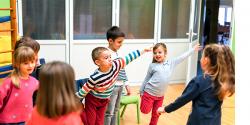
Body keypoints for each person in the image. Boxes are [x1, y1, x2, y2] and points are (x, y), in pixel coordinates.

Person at [157, 44, 235, 125]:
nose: (201, 59)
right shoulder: (222, 81)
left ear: (206, 60)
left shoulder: (199, 81)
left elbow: (182, 100)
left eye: (202, 56)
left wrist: (165, 109)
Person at [76, 46, 151, 125]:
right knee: (90, 123)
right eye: (106, 58)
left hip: (104, 100)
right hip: (92, 100)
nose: (110, 59)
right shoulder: (95, 77)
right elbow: (84, 90)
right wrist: (73, 99)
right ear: (98, 62)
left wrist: (143, 51)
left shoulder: (116, 65)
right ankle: (79, 108)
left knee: (99, 123)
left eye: (110, 56)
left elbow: (128, 58)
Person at [139, 42, 201, 125]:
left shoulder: (171, 63)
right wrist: (141, 91)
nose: (157, 54)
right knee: (145, 111)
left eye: (159, 52)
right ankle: (145, 101)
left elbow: (182, 57)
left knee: (156, 114)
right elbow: (147, 78)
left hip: (160, 96)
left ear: (165, 53)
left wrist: (193, 49)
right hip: (149, 93)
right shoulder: (152, 66)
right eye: (155, 53)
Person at [0, 46, 38, 125]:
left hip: (26, 120)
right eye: (26, 63)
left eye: (32, 62)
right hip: (7, 121)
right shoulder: (9, 82)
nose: (30, 66)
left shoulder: (34, 82)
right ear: (17, 64)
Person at [104, 26, 131, 125]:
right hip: (112, 87)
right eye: (119, 42)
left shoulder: (117, 54)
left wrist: (127, 84)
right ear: (110, 41)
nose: (121, 45)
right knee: (109, 112)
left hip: (120, 86)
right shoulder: (106, 54)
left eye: (122, 42)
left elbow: (122, 69)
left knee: (116, 110)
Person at [14, 36, 41, 106]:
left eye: (37, 53)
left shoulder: (36, 70)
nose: (37, 57)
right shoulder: (14, 80)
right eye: (34, 54)